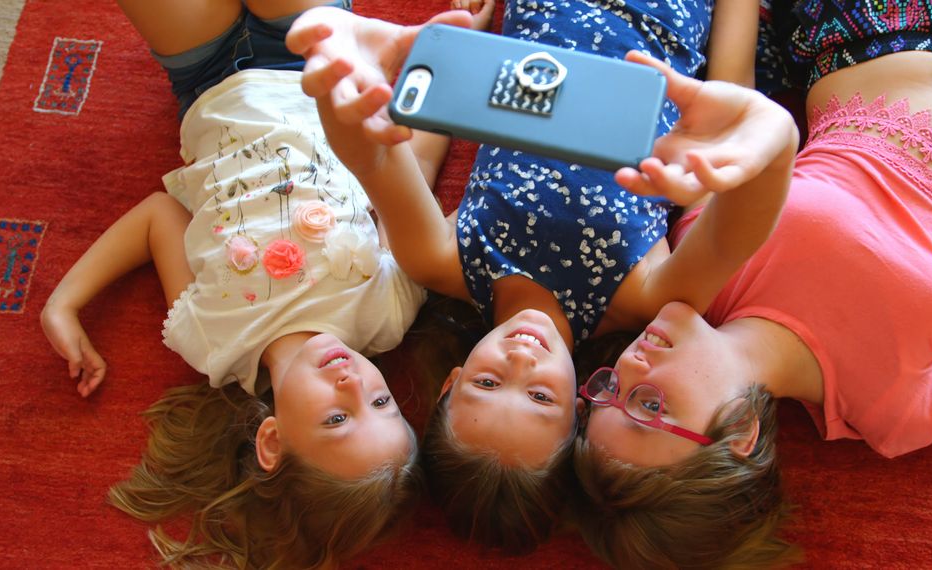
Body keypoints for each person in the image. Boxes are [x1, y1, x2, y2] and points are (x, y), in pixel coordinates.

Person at [571, 1, 932, 567]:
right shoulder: (899, 412)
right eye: (650, 403)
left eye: (607, 391)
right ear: (740, 434)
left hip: (856, 24)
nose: (630, 368)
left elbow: (733, 107)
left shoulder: (698, 273)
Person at [286, 0, 764, 552]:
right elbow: (734, 189)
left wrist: (343, 76)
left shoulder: (440, 262)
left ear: (452, 381)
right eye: (540, 396)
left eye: (488, 385)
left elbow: (375, 158)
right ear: (580, 410)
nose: (519, 359)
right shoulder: (646, 299)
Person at [38, 1, 448, 567]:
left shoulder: (211, 343)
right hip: (314, 57)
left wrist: (65, 302)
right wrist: (442, 71)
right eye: (382, 401)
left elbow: (159, 216)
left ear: (272, 440)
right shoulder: (387, 313)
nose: (353, 384)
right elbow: (409, 179)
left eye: (337, 418)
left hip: (205, 79)